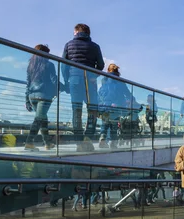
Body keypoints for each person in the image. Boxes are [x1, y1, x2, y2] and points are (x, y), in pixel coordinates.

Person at [61, 23, 105, 152]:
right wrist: (94, 76)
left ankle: (79, 143)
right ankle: (88, 140)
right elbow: (101, 65)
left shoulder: (69, 44)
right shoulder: (95, 46)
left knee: (77, 111)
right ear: (88, 33)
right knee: (92, 111)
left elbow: (63, 65)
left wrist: (67, 79)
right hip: (90, 81)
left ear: (76, 32)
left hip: (74, 80)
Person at [24, 44, 58, 151]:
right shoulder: (49, 65)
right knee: (38, 119)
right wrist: (64, 88)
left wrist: (27, 100)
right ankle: (29, 142)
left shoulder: (31, 66)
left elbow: (28, 84)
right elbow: (54, 81)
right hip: (44, 96)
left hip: (32, 97)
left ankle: (47, 143)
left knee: (43, 119)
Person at [98, 64, 136, 149]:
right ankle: (113, 143)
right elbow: (127, 93)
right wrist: (133, 99)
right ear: (117, 71)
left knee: (105, 124)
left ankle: (102, 139)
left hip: (105, 106)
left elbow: (100, 92)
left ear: (108, 70)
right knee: (114, 126)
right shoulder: (120, 81)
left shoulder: (104, 80)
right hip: (116, 106)